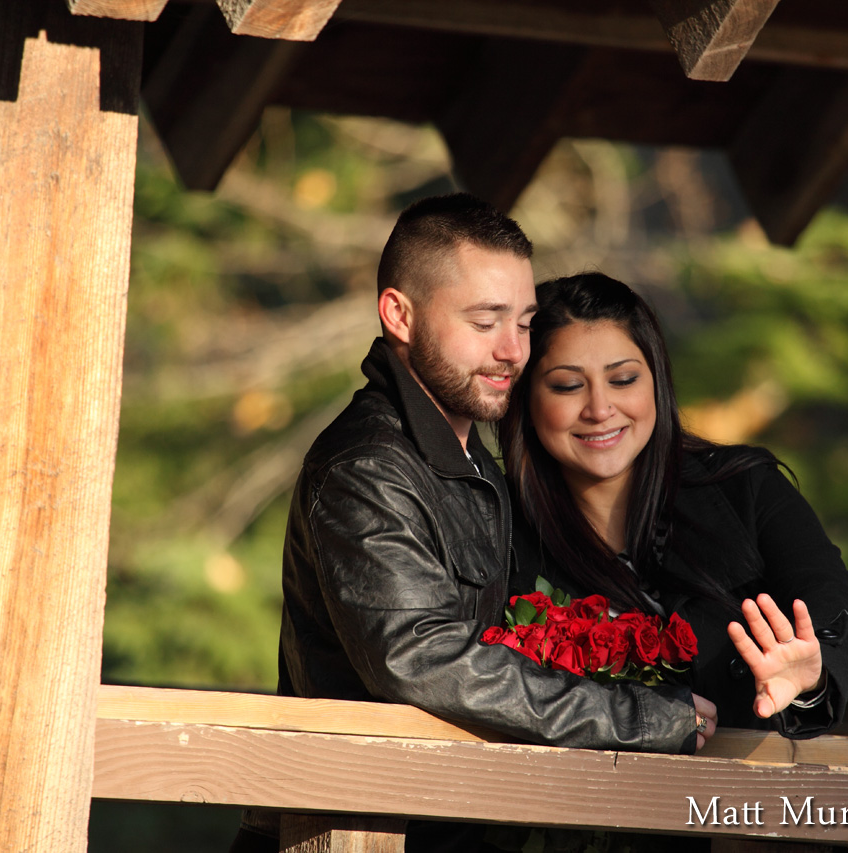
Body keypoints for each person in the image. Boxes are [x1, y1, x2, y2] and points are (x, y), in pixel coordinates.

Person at [230, 197, 715, 853]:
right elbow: (422, 658)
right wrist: (634, 718)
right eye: (485, 321)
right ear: (399, 314)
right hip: (364, 833)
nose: (513, 350)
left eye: (523, 321)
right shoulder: (368, 468)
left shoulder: (474, 464)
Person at [498, 272, 848, 737]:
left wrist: (808, 678)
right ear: (526, 401)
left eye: (623, 379)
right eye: (567, 386)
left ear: (656, 383)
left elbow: (835, 598)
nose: (599, 408)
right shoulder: (497, 528)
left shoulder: (743, 487)